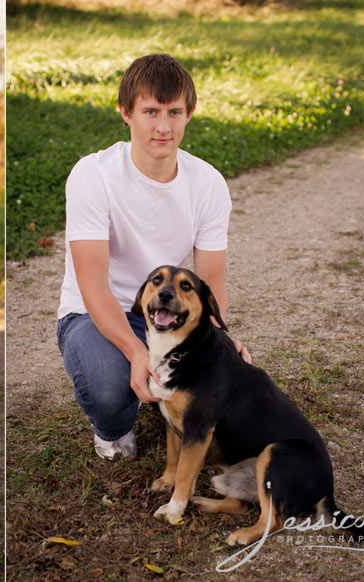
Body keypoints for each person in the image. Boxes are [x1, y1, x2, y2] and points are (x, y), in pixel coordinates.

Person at [56, 54, 251, 462]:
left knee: (229, 374)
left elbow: (210, 282)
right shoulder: (93, 175)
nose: (163, 127)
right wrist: (136, 351)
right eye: (150, 112)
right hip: (93, 312)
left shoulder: (209, 184)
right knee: (110, 389)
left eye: (174, 112)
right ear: (125, 113)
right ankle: (114, 427)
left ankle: (161, 392)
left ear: (189, 113)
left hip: (167, 313)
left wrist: (220, 338)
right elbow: (92, 285)